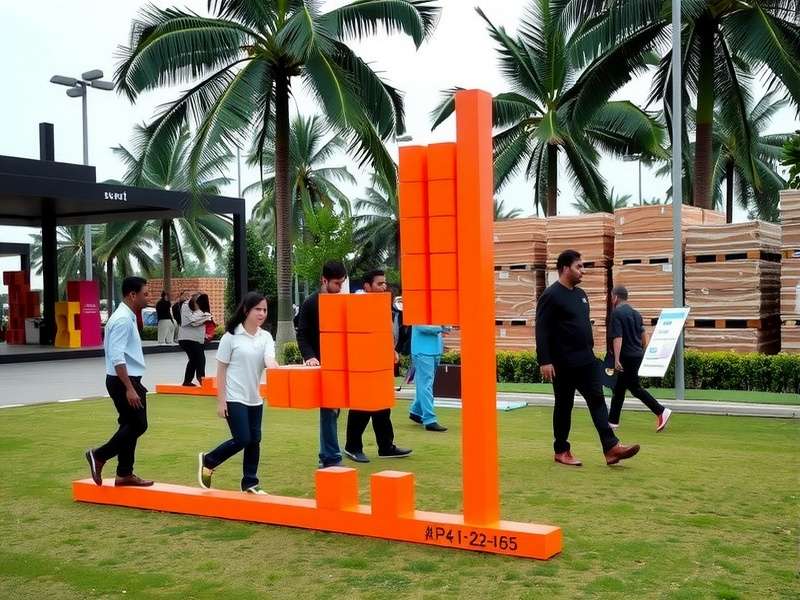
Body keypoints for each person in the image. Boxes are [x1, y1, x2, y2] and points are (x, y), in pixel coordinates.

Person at [536, 249, 640, 466]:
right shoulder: (550, 295)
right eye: (579, 266)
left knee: (597, 400)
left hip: (586, 360)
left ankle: (611, 448)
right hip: (563, 363)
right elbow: (542, 329)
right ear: (565, 268)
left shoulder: (581, 295)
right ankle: (561, 450)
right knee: (564, 406)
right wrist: (544, 360)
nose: (583, 271)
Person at [198, 292, 278, 494]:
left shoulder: (266, 337)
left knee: (254, 440)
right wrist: (221, 401)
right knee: (242, 438)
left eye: (264, 310)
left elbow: (269, 359)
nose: (262, 313)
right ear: (246, 310)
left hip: (255, 399)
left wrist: (276, 367)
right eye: (257, 309)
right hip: (234, 397)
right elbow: (221, 370)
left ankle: (250, 482)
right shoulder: (230, 337)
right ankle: (209, 460)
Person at [85, 276, 153, 487]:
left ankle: (124, 473)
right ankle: (99, 455)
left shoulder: (126, 316)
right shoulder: (123, 319)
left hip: (125, 379)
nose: (148, 297)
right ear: (132, 295)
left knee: (129, 425)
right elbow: (117, 356)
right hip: (123, 380)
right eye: (145, 294)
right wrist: (130, 388)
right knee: (139, 425)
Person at [344, 270, 412, 463]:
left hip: (380, 361)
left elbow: (384, 331)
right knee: (362, 405)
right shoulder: (358, 304)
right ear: (367, 286)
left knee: (382, 405)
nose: (384, 287)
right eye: (379, 284)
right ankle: (352, 446)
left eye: (385, 283)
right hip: (363, 363)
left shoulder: (382, 304)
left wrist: (391, 350)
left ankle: (385, 446)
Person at [296, 260, 347, 468]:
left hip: (339, 364)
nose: (340, 288)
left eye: (342, 283)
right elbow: (302, 334)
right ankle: (330, 457)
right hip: (321, 364)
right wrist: (309, 357)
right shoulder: (310, 303)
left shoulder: (342, 301)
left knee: (334, 410)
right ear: (324, 281)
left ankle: (328, 454)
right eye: (336, 283)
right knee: (329, 410)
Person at [608, 286, 672, 431]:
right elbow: (644, 334)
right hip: (636, 355)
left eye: (612, 296)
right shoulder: (636, 314)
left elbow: (618, 337)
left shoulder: (617, 313)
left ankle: (661, 411)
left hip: (625, 357)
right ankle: (612, 422)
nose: (611, 299)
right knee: (619, 389)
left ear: (615, 297)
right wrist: (642, 350)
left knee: (634, 388)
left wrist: (616, 359)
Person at [408, 325, 447, 432]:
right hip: (423, 350)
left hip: (434, 350)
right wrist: (442, 327)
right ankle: (429, 420)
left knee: (425, 384)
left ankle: (416, 411)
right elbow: (422, 327)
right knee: (425, 385)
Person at [178, 293, 213, 386]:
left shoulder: (200, 309)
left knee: (194, 359)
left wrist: (204, 316)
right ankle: (201, 379)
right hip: (188, 338)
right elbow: (191, 321)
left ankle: (187, 381)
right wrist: (204, 316)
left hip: (195, 338)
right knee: (200, 358)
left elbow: (201, 320)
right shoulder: (186, 305)